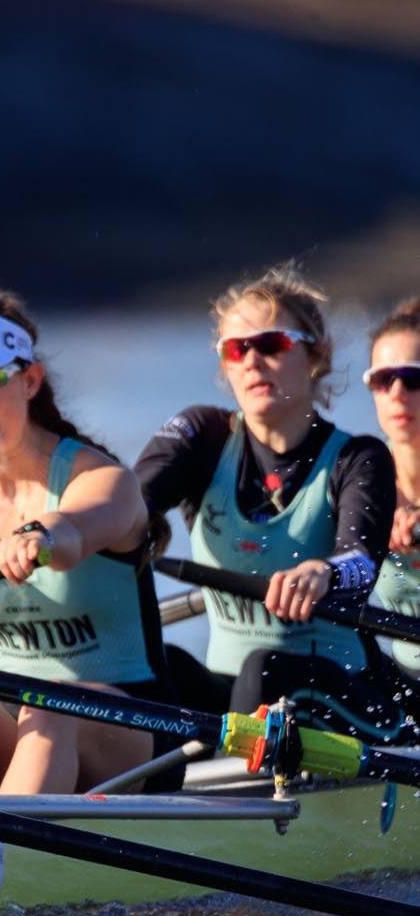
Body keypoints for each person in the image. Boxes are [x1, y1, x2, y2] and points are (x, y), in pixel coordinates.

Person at [0, 284, 179, 794]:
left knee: (51, 707)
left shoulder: (102, 477)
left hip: (137, 733)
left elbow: (76, 528)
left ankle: (0, 865)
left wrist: (41, 534)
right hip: (16, 716)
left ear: (30, 380)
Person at [135, 264, 399, 737]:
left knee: (267, 669)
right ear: (226, 364)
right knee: (152, 666)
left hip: (341, 694)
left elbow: (360, 562)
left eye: (272, 345)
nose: (252, 361)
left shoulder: (359, 458)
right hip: (237, 696)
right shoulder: (203, 437)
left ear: (316, 355)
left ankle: (234, 798)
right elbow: (128, 506)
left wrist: (323, 571)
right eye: (237, 349)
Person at [363, 299, 420, 699]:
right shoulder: (360, 477)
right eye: (384, 380)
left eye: (413, 378)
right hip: (404, 684)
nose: (398, 393)